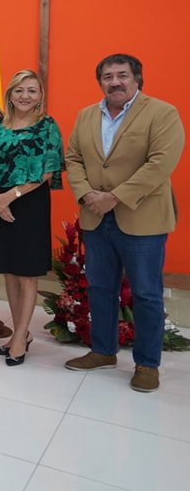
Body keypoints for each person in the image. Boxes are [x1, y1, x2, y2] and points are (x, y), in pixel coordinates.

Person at [64, 53, 184, 392]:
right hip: (95, 217)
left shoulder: (162, 113)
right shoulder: (87, 115)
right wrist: (87, 194)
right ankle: (103, 351)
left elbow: (160, 163)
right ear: (100, 81)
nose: (114, 81)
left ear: (137, 79)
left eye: (122, 75)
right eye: (107, 76)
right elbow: (73, 158)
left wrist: (113, 197)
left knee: (146, 293)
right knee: (101, 288)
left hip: (141, 217)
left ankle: (147, 364)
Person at [0, 70, 63, 366]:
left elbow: (47, 172)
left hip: (29, 204)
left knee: (26, 274)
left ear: (40, 95)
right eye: (19, 90)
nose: (25, 96)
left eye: (32, 90)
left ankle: (21, 337)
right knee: (9, 272)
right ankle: (19, 333)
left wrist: (8, 197)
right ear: (10, 94)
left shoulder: (46, 126)